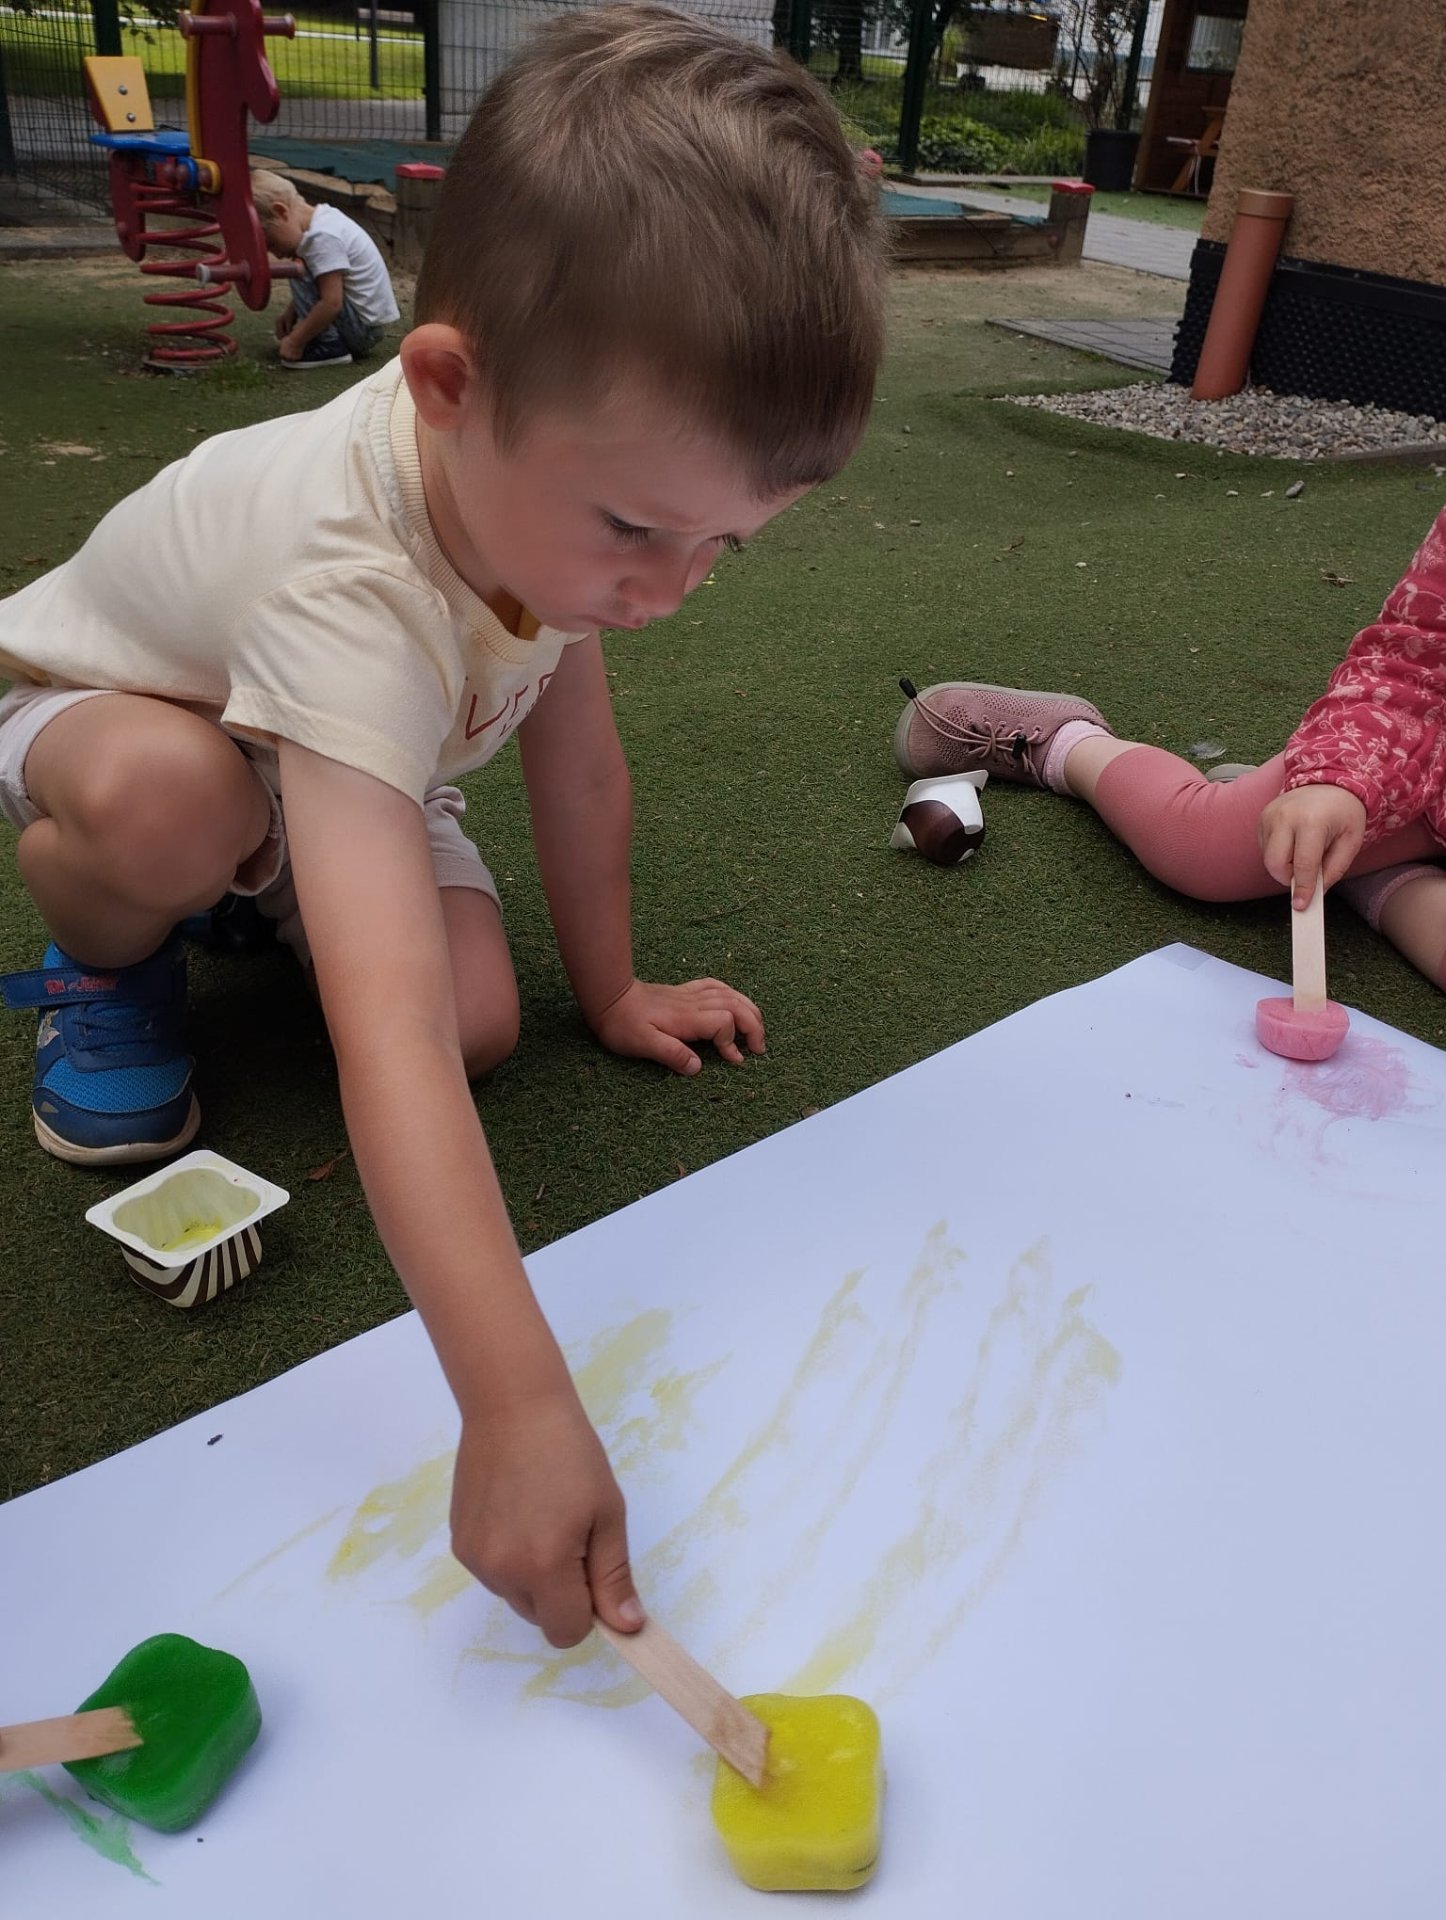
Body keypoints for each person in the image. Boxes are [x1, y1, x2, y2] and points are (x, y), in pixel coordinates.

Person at [0, 6, 887, 1644]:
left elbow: (580, 769)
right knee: (172, 812)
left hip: (351, 766)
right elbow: (381, 1029)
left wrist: (608, 989)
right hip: (115, 714)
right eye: (639, 530)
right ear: (448, 387)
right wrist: (515, 1401)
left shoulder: (549, 509)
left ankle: (255, 875)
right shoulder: (351, 570)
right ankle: (107, 947)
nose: (669, 593)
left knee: (484, 1019)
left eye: (725, 546)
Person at [894, 504, 1446, 993]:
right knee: (1198, 848)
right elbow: (1414, 665)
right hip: (1416, 765)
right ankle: (1067, 744)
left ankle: (1361, 871)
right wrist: (1337, 780)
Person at [250, 167, 400, 369]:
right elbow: (324, 286)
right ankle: (326, 338)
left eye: (271, 244)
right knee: (306, 266)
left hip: (361, 330)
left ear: (280, 212)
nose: (275, 254)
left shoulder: (322, 238)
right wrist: (291, 313)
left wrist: (296, 340)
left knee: (300, 270)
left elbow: (331, 302)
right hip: (365, 325)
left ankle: (330, 345)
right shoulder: (325, 219)